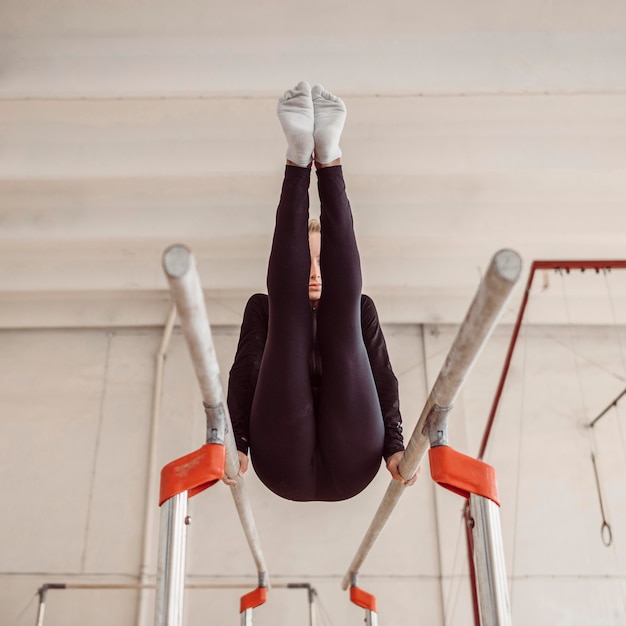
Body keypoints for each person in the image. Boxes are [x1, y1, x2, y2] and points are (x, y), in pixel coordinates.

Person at [226, 81, 417, 501]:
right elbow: (244, 374)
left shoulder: (358, 309)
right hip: (281, 460)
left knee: (345, 315)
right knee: (285, 317)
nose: (315, 273)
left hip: (355, 458)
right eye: (307, 261)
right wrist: (237, 441)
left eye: (322, 263)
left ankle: (322, 157)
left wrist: (395, 446)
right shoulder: (265, 310)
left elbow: (382, 377)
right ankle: (304, 158)